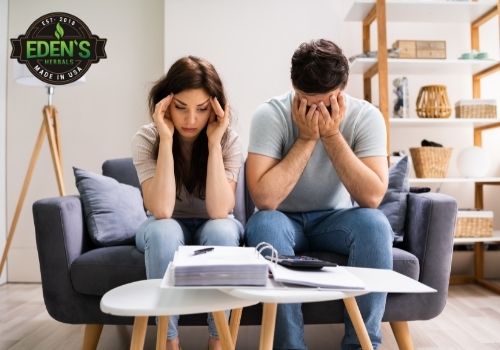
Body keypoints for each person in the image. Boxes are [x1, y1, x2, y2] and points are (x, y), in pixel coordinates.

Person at [245, 39, 393, 350]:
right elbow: (265, 200)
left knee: (376, 224)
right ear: (293, 87)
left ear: (344, 86)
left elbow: (372, 197)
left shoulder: (366, 117)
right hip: (282, 217)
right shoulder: (269, 115)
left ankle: (362, 346)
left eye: (326, 103)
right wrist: (306, 138)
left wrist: (332, 134)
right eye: (306, 101)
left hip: (334, 219)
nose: (315, 111)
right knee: (264, 225)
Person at [132, 56, 243, 350]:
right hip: (163, 226)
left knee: (222, 229)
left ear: (216, 108)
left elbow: (221, 211)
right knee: (163, 230)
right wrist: (166, 141)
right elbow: (162, 210)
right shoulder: (146, 138)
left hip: (211, 225)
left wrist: (214, 143)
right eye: (181, 108)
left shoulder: (229, 140)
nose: (190, 120)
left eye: (202, 109)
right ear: (165, 104)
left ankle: (218, 339)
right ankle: (168, 341)